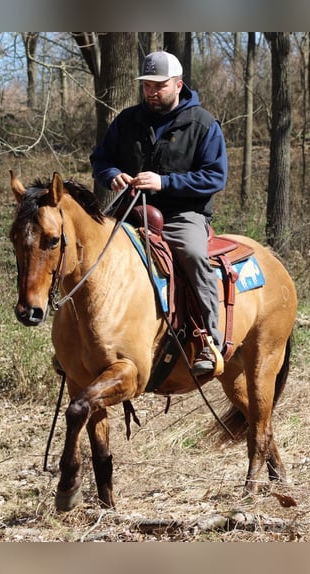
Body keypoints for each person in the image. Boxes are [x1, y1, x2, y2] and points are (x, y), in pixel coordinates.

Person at [90, 51, 228, 377]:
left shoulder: (203, 124)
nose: (152, 92)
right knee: (90, 250)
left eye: (159, 85)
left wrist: (164, 182)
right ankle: (82, 341)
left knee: (193, 254)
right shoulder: (127, 121)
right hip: (131, 209)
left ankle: (210, 338)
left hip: (183, 214)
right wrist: (112, 175)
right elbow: (100, 158)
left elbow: (215, 176)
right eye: (147, 85)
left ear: (178, 84)